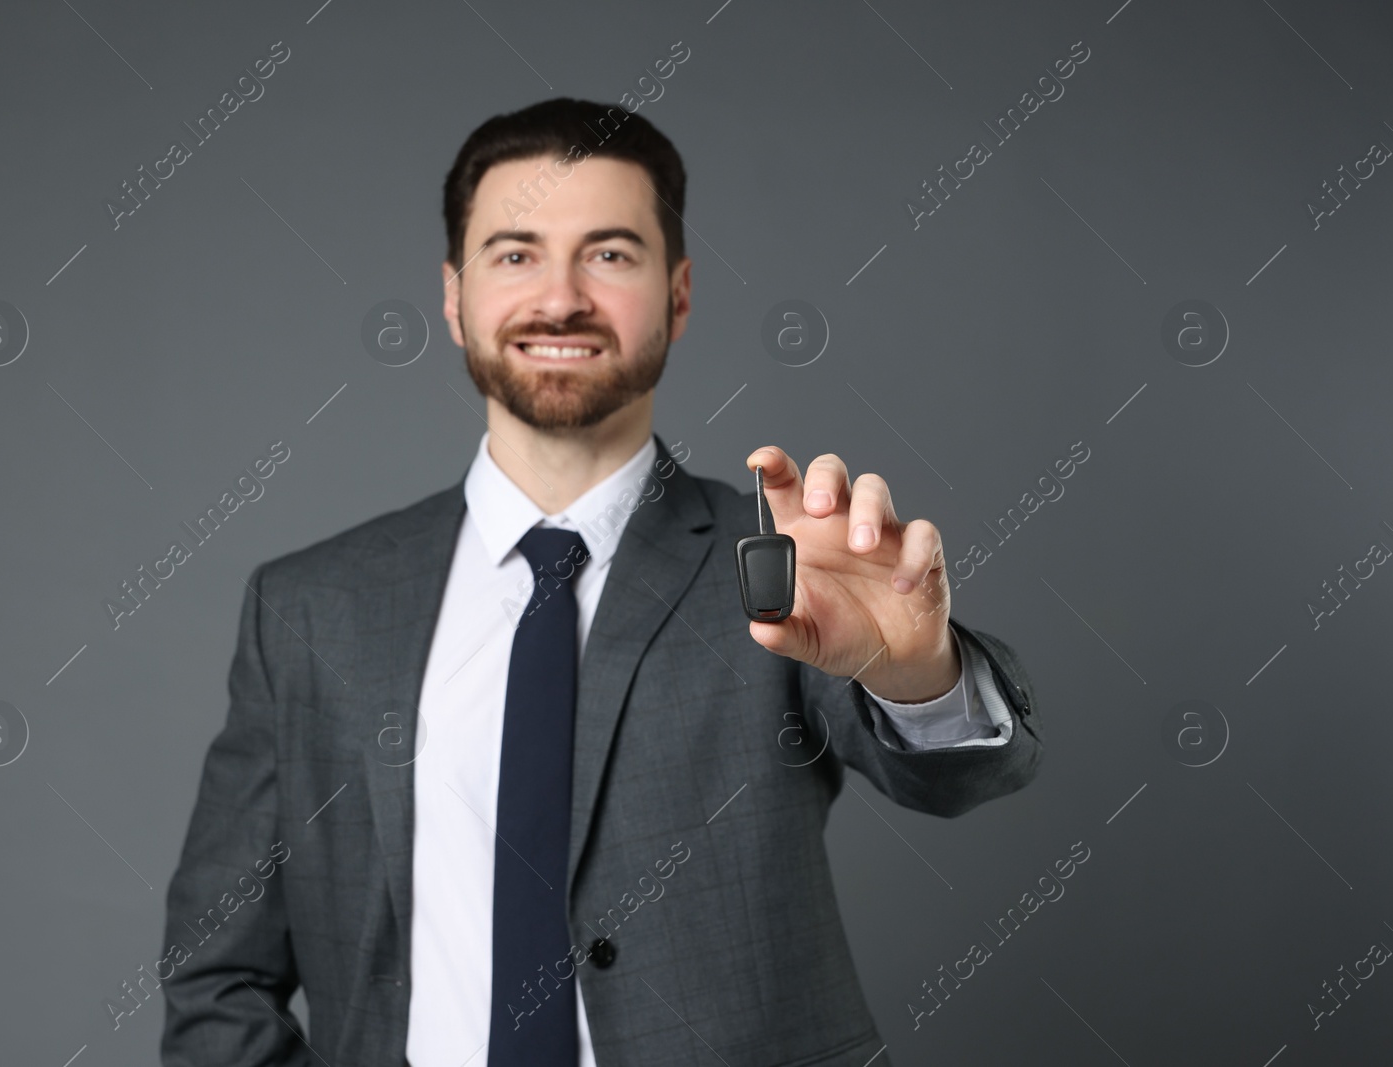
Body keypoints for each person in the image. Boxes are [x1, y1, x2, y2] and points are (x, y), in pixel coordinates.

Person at [159, 97, 1042, 1067]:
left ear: (679, 292)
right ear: (454, 295)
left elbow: (961, 775)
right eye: (515, 252)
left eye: (611, 253)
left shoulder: (781, 568)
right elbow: (217, 969)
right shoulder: (311, 608)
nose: (561, 295)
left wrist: (913, 668)